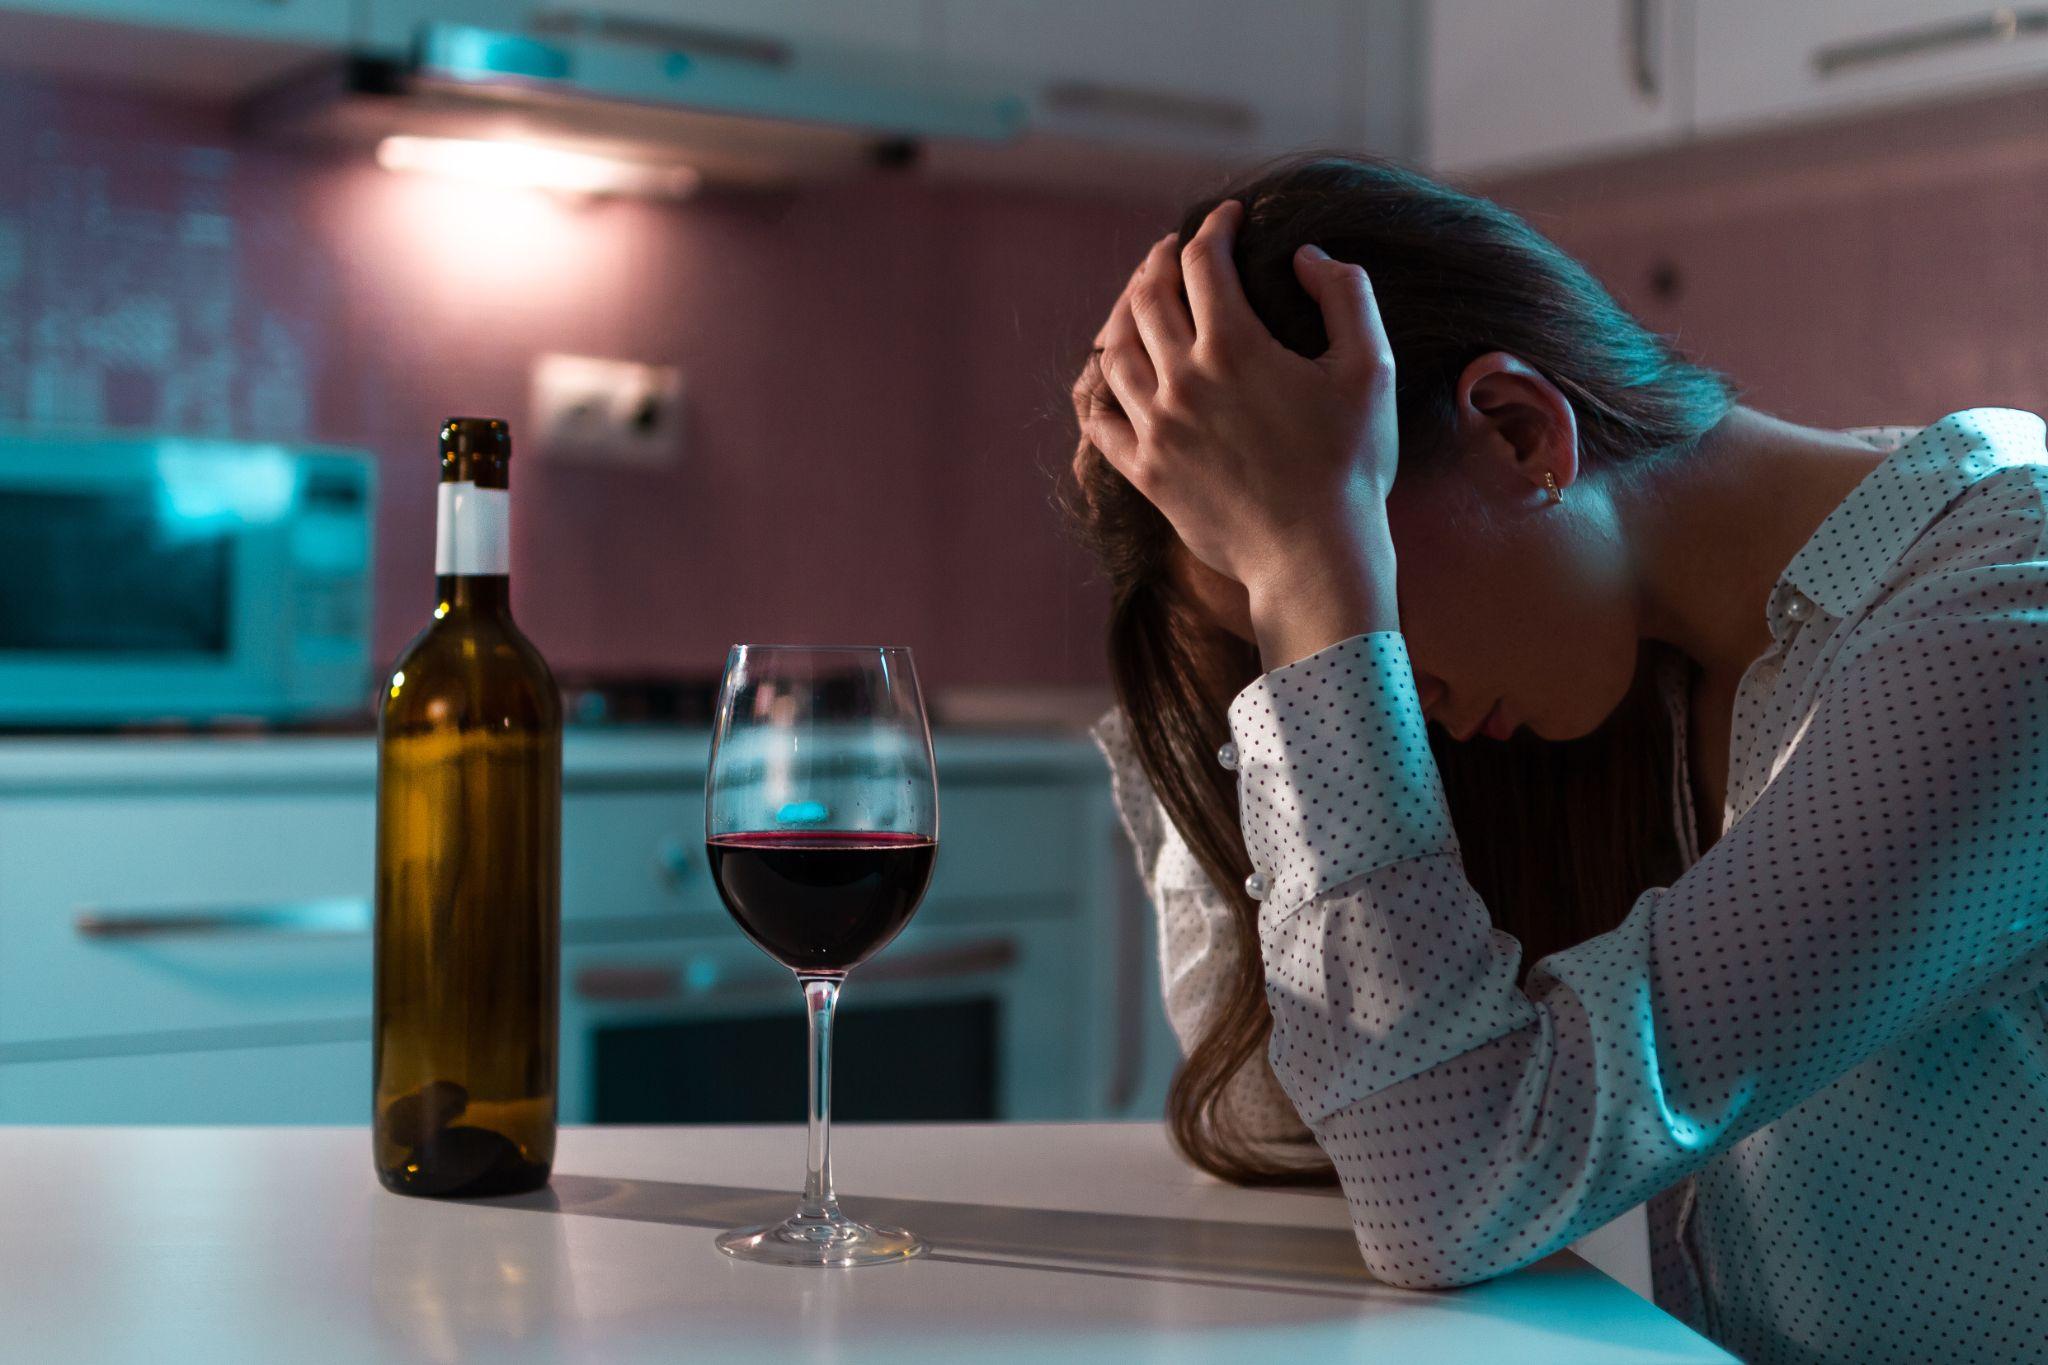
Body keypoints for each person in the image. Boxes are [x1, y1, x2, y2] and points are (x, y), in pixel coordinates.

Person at [1062, 154, 2048, 1365]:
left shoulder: (2000, 628)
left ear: (1521, 433)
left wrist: (1315, 582)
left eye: (1345, 583)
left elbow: (1450, 1190)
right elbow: (1297, 1123)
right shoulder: (1660, 653)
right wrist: (1208, 603)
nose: (1376, 691)